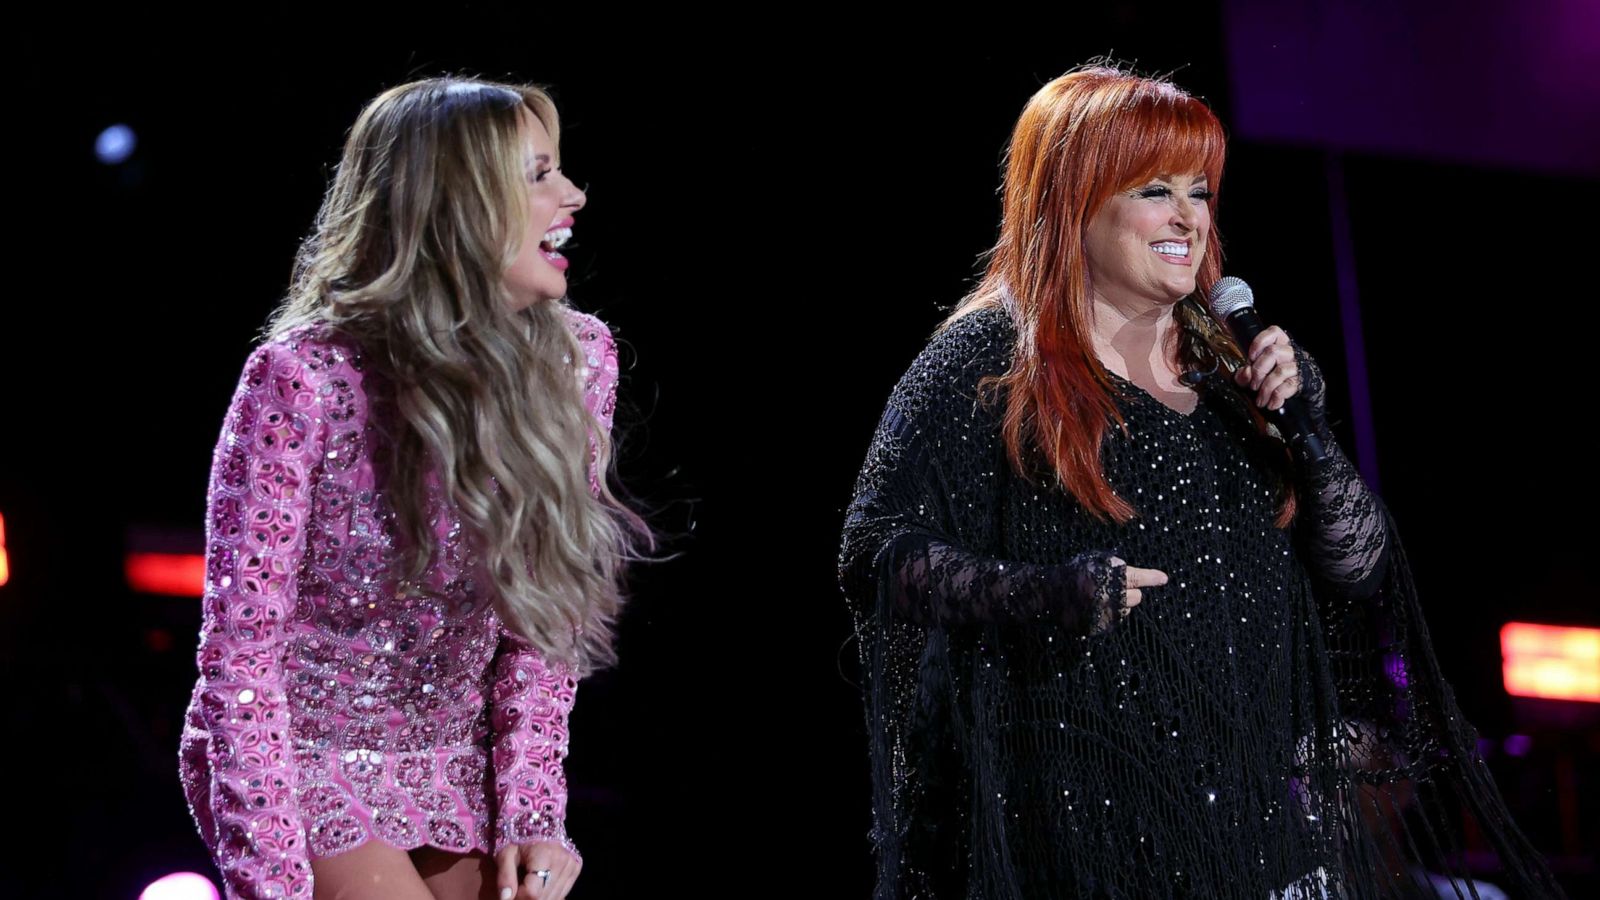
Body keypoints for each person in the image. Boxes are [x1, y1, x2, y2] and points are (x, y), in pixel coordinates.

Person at [838, 65, 1566, 899]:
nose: (1188, 216)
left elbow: (1359, 566)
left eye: (1200, 190)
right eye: (1155, 190)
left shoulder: (1240, 370)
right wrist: (1044, 593)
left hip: (1248, 830)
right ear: (1075, 197)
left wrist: (1307, 431)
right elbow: (874, 551)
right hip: (1075, 831)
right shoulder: (985, 363)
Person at [178, 77, 650, 900]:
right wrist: (276, 883)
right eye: (539, 175)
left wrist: (533, 815)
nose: (573, 196)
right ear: (458, 203)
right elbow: (239, 664)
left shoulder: (579, 362)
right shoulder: (305, 380)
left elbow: (544, 629)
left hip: (456, 759)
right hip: (299, 757)